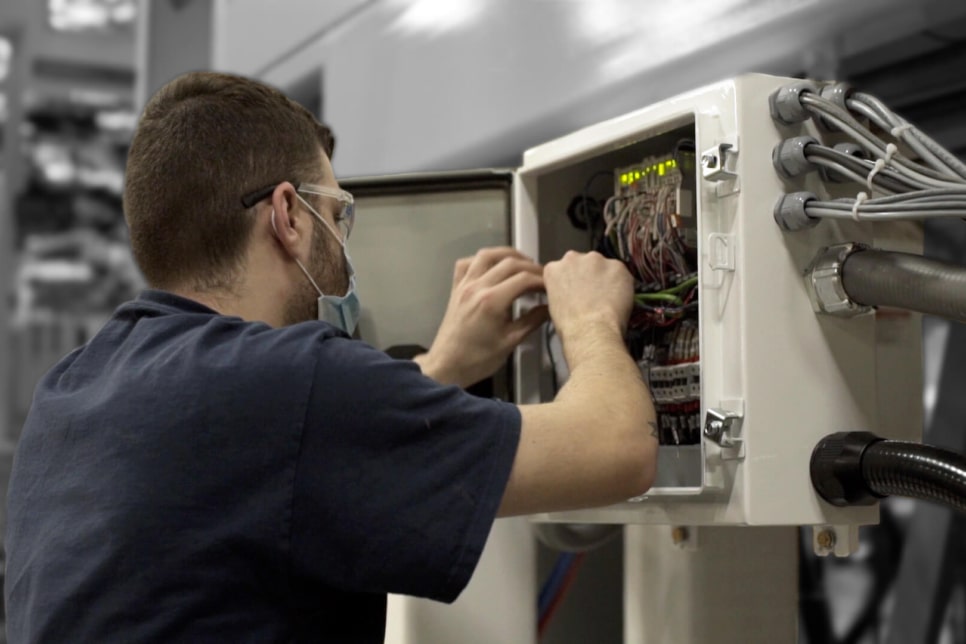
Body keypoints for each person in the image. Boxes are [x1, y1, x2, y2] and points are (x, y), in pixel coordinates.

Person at [4, 71, 657, 643]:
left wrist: (442, 368)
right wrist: (592, 318)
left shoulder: (72, 393)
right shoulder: (289, 381)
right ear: (288, 214)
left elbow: (279, 459)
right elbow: (619, 448)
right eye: (338, 215)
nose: (344, 249)